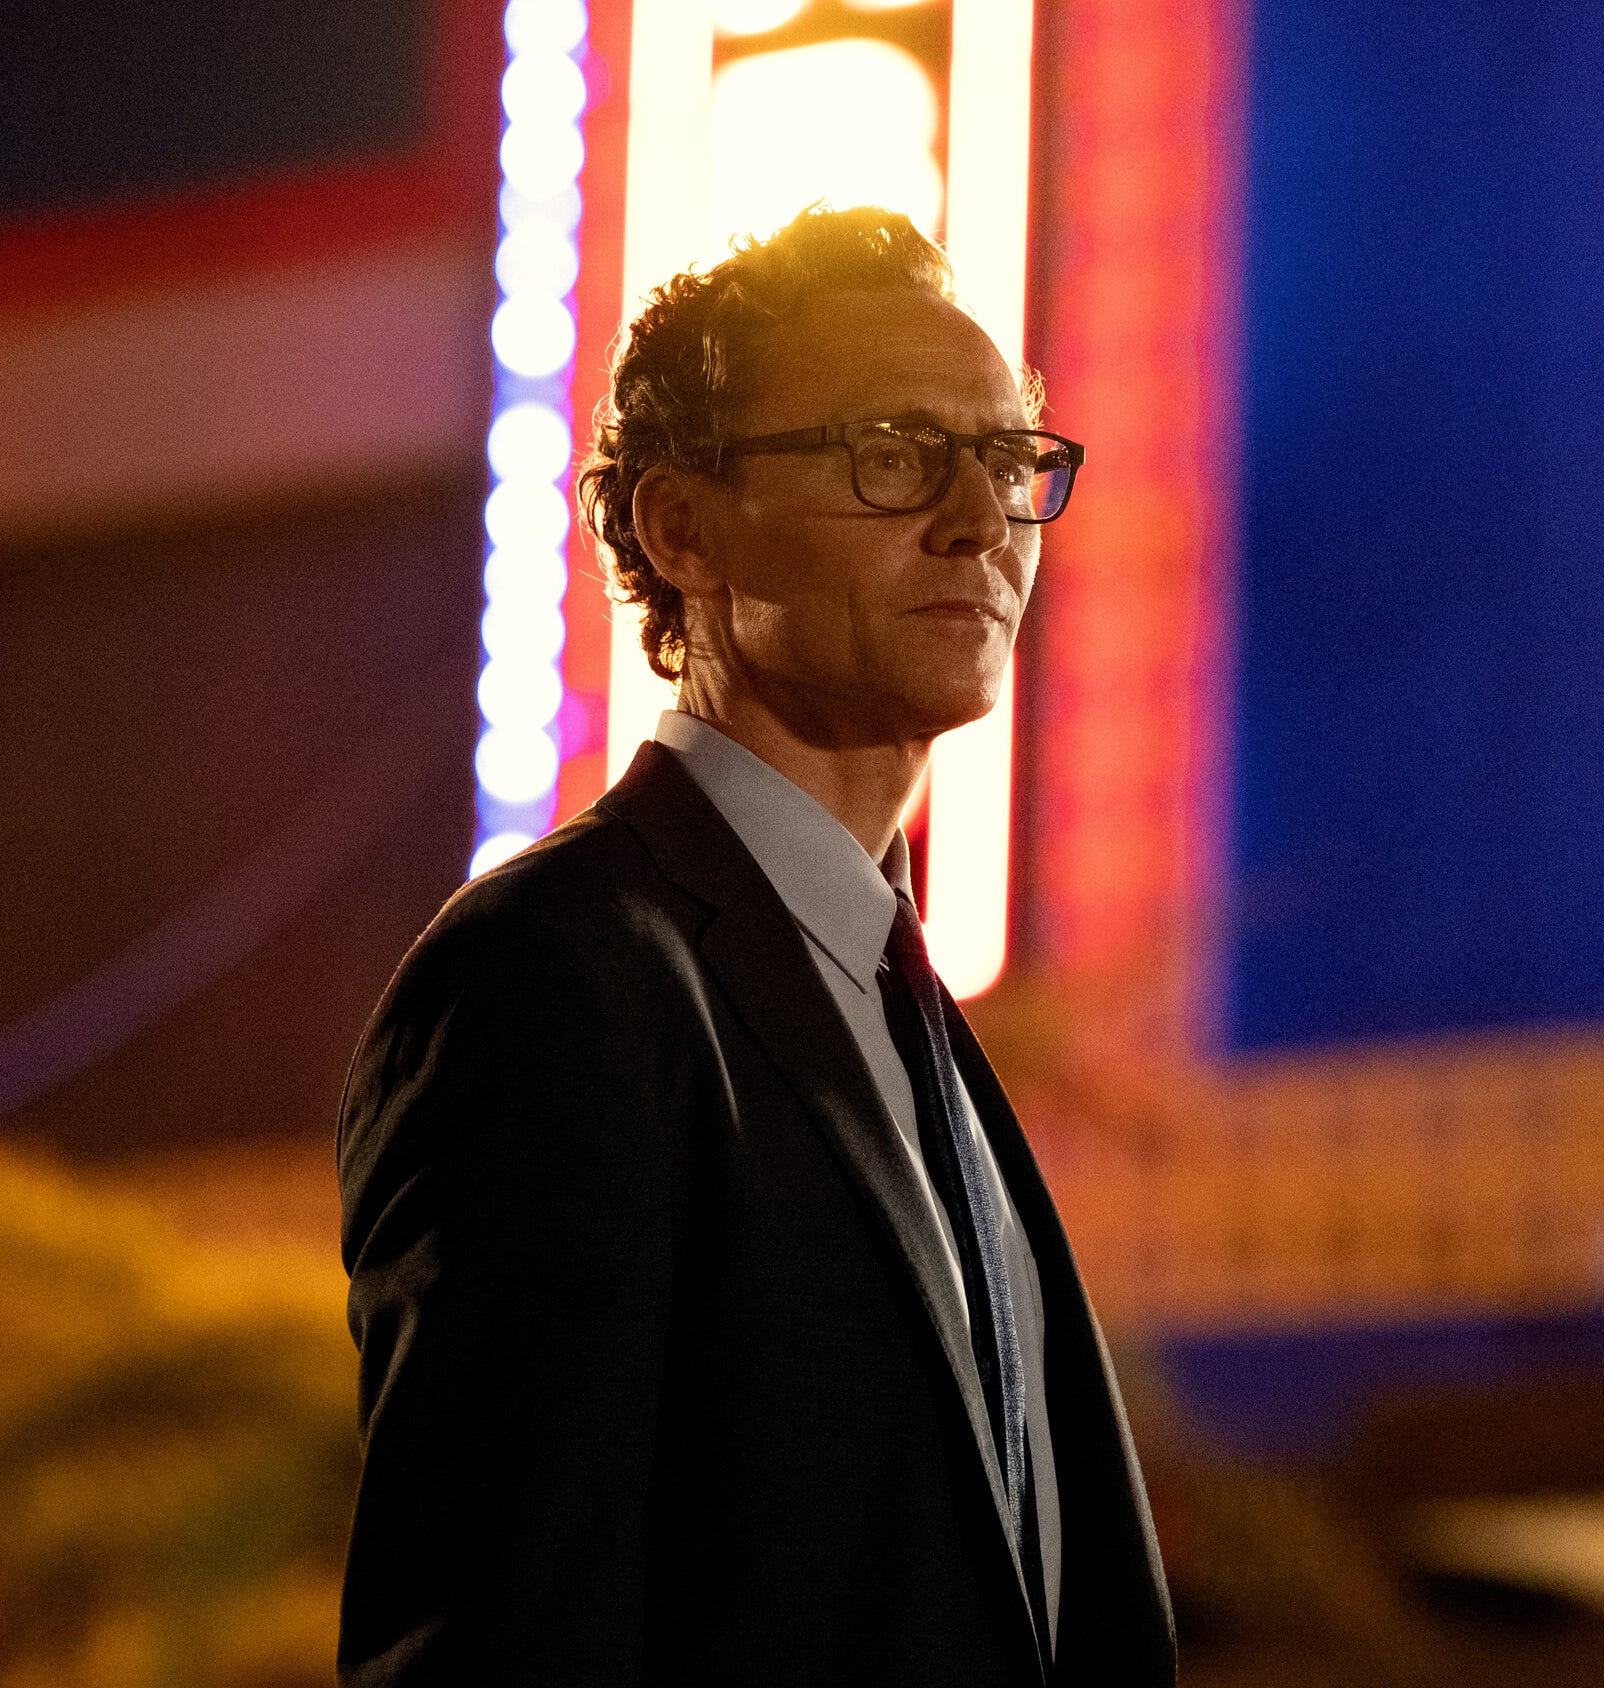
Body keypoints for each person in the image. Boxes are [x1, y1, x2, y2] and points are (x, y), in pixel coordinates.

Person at [335, 206, 1175, 1686]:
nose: (978, 522)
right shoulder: (555, 979)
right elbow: (497, 1638)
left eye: (1005, 461)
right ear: (683, 526)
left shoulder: (911, 1022)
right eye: (894, 454)